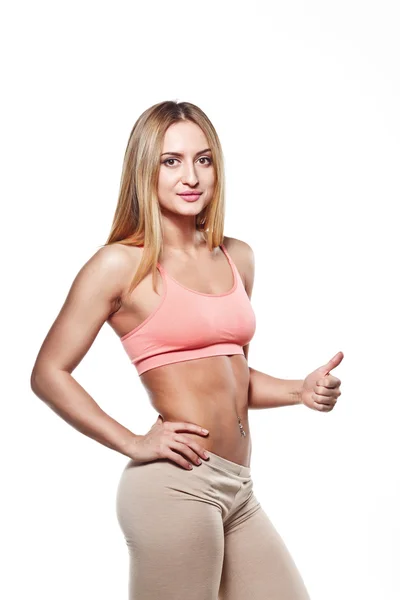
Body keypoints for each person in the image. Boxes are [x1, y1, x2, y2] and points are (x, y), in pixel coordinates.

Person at [30, 100, 343, 599]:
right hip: (176, 486)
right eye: (171, 161)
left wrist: (298, 390)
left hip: (238, 487)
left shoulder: (235, 256)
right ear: (144, 170)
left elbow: (229, 373)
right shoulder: (119, 265)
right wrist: (134, 441)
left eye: (203, 159)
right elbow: (49, 372)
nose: (191, 175)